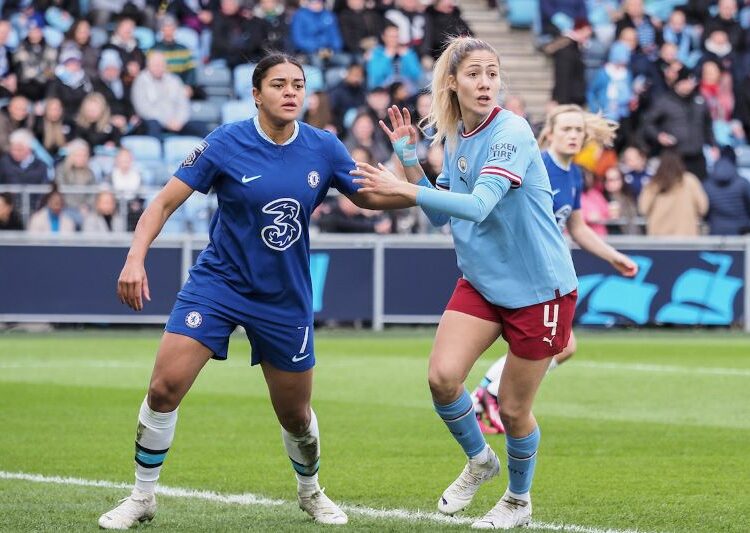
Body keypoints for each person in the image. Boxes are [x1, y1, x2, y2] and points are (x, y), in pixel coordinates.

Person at [98, 52, 413, 529]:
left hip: (284, 295)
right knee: (163, 389)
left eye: (298, 85)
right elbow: (162, 203)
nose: (291, 92)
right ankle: (142, 497)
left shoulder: (323, 147)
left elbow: (370, 197)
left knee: (295, 415)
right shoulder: (226, 142)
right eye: (279, 84)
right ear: (255, 94)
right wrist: (134, 257)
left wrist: (408, 167)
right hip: (219, 285)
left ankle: (311, 491)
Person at [351, 36, 579, 529]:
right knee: (441, 378)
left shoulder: (512, 130)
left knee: (515, 412)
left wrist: (403, 186)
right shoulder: (455, 134)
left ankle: (518, 501)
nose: (486, 83)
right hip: (482, 279)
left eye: (492, 73)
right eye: (475, 73)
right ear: (452, 82)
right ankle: (480, 461)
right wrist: (410, 159)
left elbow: (478, 206)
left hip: (539, 290)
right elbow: (440, 216)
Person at [468, 104, 638, 434]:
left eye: (578, 131)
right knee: (559, 344)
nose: (573, 136)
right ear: (549, 133)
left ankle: (486, 395)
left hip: (542, 270)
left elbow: (576, 225)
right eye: (566, 129)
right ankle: (486, 395)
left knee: (563, 345)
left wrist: (612, 255)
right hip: (521, 268)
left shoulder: (572, 172)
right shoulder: (537, 164)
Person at [638, 149, 709, 236]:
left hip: (658, 240)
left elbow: (643, 208)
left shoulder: (654, 183)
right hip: (687, 238)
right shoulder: (690, 181)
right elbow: (703, 208)